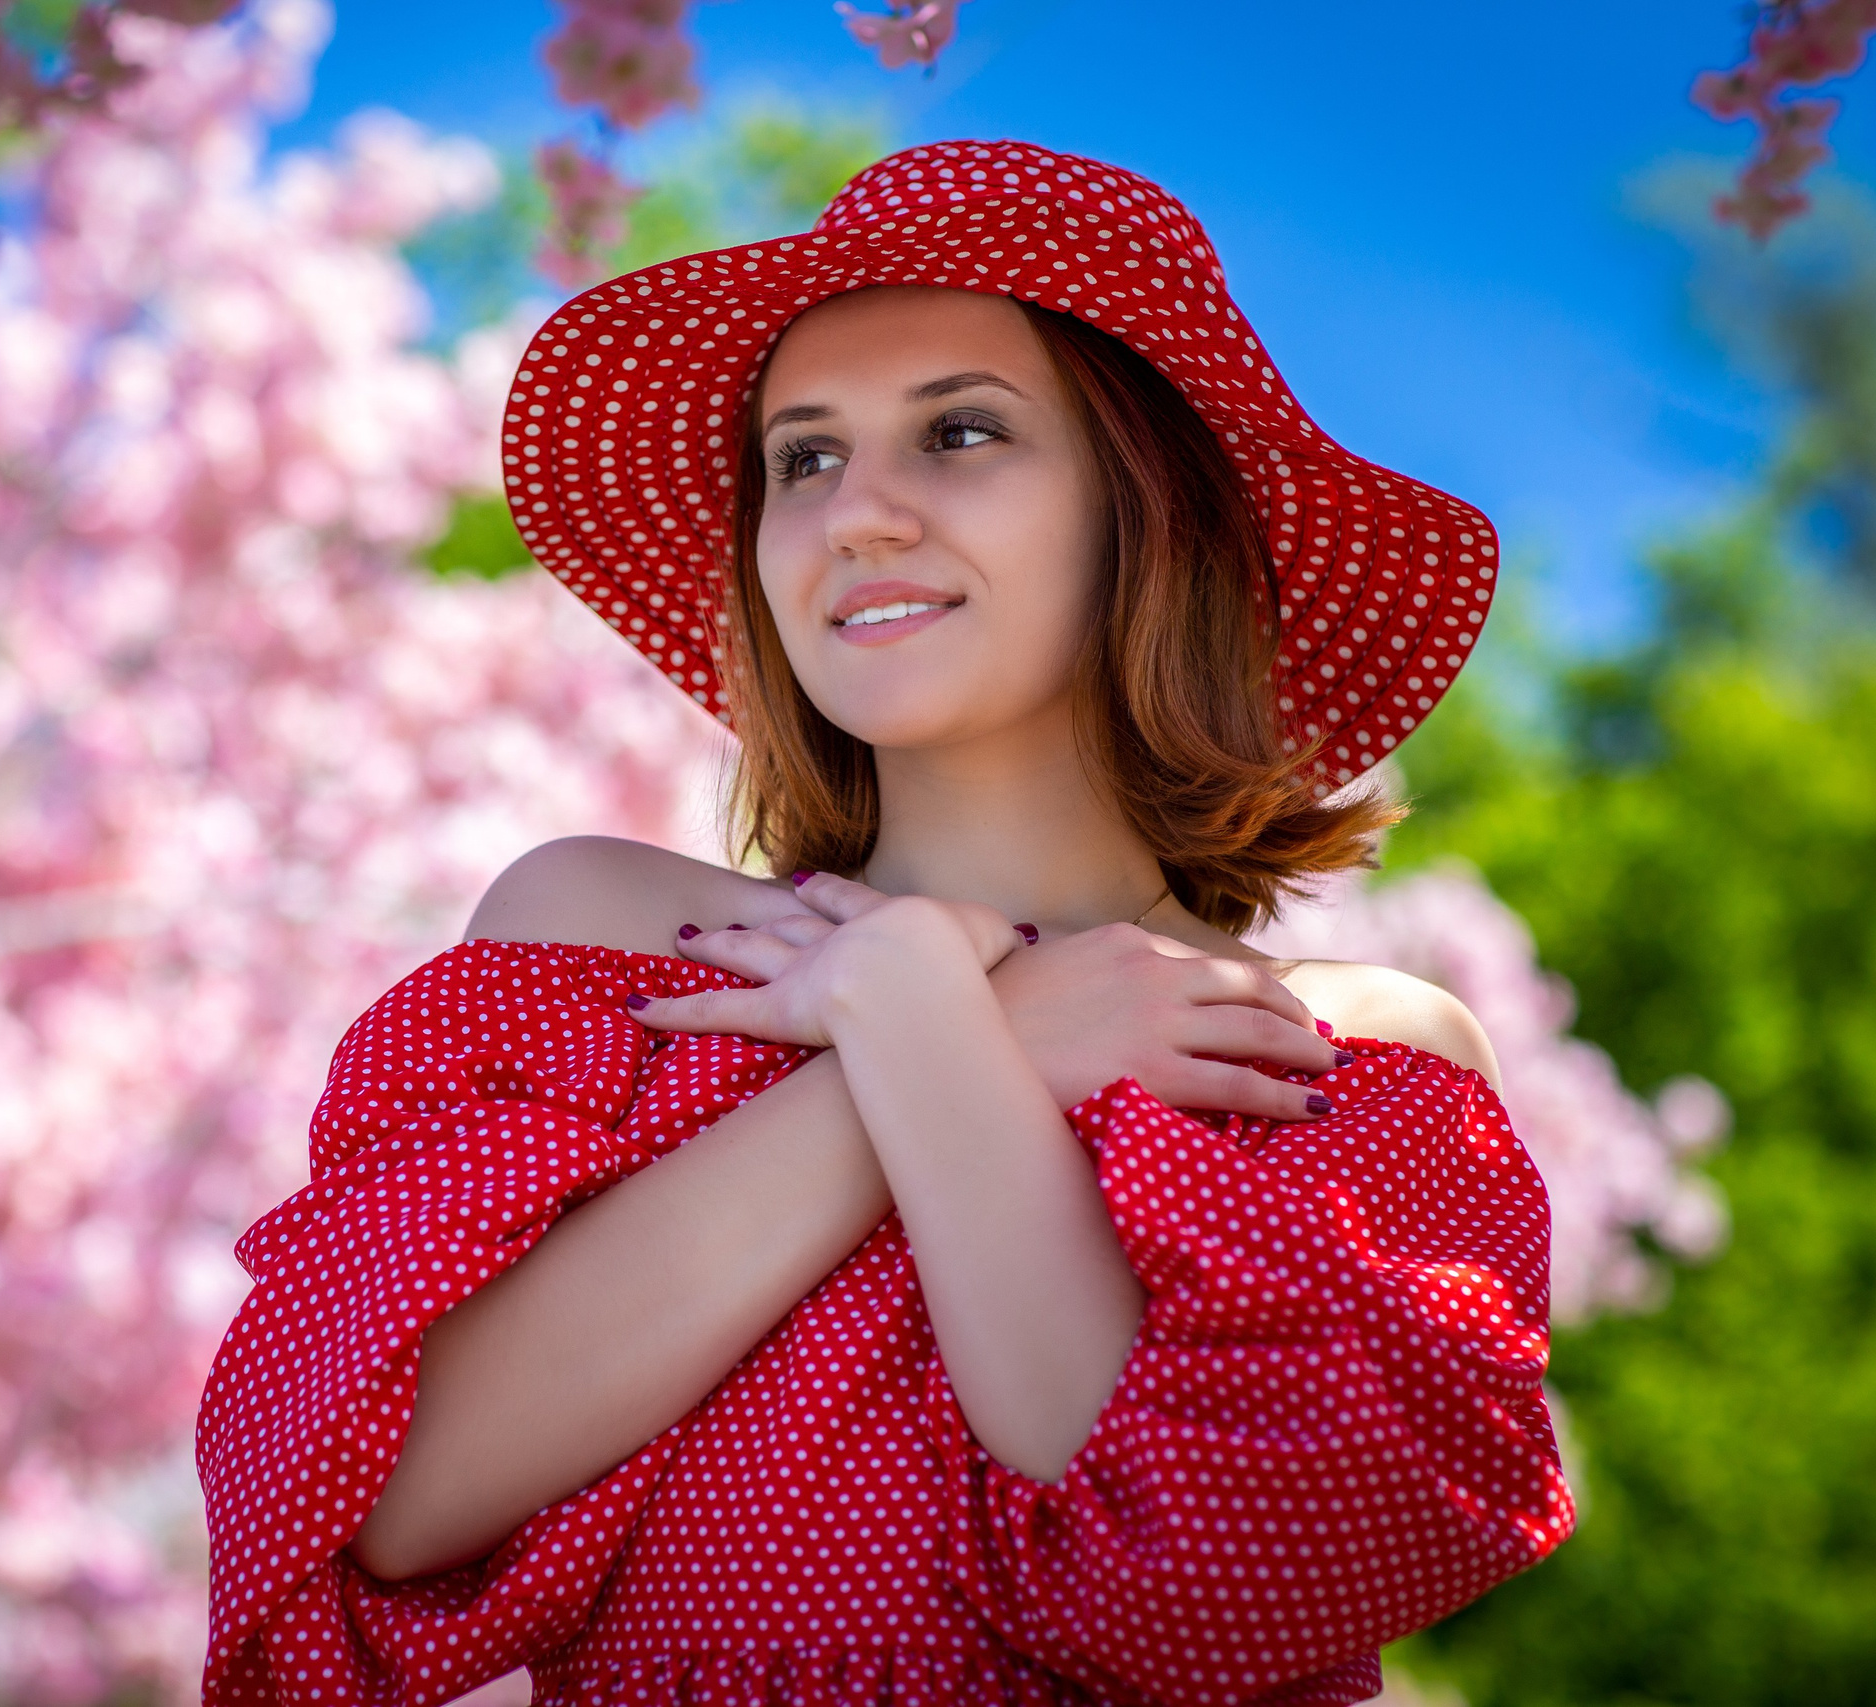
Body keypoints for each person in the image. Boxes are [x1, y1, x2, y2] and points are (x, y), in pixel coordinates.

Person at [198, 140, 1573, 1707]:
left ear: (1152, 517)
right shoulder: (616, 945)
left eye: (962, 432)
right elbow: (372, 1495)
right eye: (803, 458)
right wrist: (929, 1037)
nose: (858, 516)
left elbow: (1199, 1597)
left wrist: (929, 1032)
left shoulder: (1345, 1055)